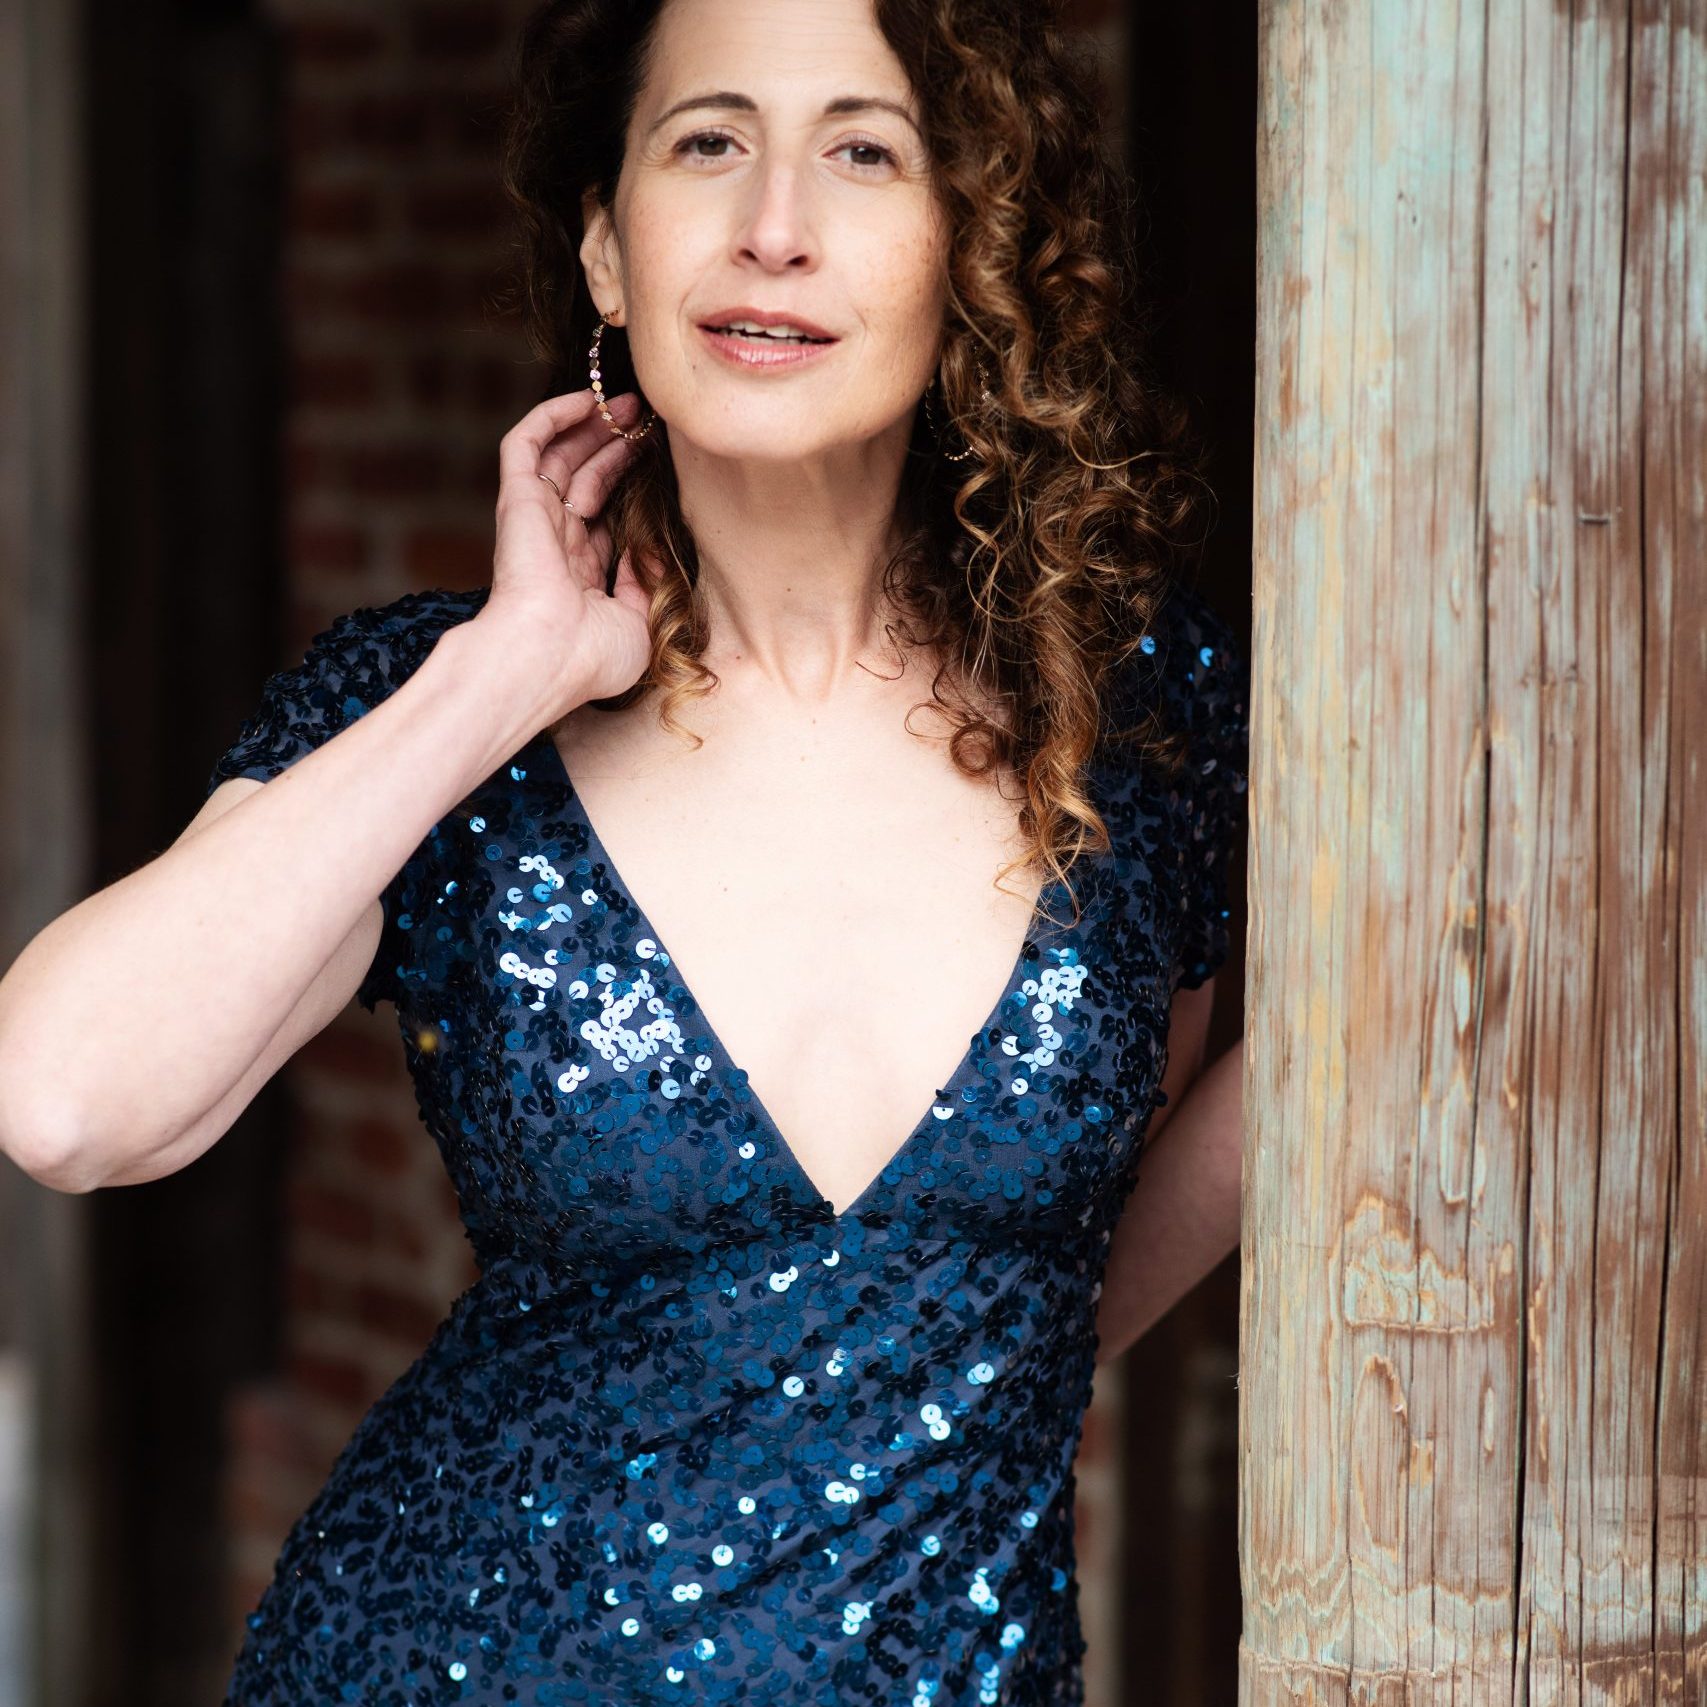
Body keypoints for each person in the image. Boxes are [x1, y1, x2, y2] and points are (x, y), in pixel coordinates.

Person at [0, 0, 1249, 1699]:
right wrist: (508, 675)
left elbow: (1099, 1256)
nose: (775, 226)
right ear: (609, 245)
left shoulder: (1150, 717)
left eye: (865, 151)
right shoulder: (440, 714)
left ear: (971, 244)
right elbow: (67, 1100)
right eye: (708, 142)